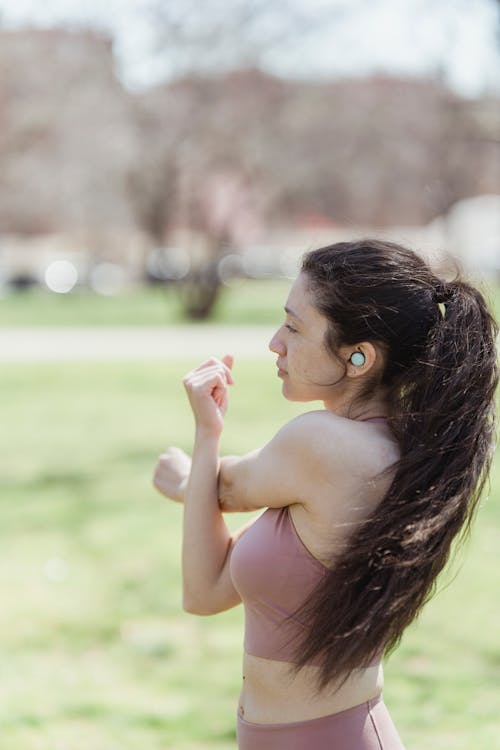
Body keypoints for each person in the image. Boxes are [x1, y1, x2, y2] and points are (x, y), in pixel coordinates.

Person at [153, 239, 498, 750]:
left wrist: (192, 465)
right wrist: (206, 443)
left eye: (294, 326)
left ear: (359, 356)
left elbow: (222, 488)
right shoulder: (397, 450)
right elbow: (203, 593)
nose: (276, 342)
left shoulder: (320, 445)